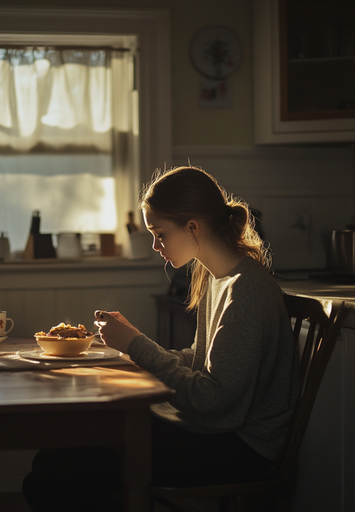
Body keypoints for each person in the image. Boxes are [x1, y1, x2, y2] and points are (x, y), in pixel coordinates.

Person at [22, 166, 300, 511]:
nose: (155, 245)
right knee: (49, 458)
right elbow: (201, 360)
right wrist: (131, 349)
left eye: (160, 234)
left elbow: (214, 402)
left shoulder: (247, 289)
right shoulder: (219, 278)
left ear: (193, 226)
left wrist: (137, 346)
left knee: (46, 483)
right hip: (213, 433)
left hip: (239, 448)